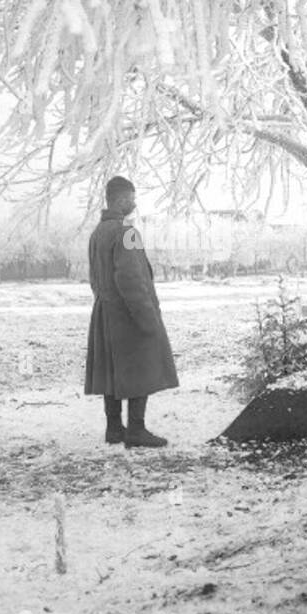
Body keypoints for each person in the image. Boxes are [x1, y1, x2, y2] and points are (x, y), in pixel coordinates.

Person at [83, 176, 178, 447]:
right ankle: (136, 430)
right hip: (128, 315)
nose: (134, 204)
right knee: (143, 366)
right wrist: (146, 317)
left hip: (104, 312)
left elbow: (94, 278)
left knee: (112, 371)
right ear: (122, 199)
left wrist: (105, 304)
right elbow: (131, 278)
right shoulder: (128, 233)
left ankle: (114, 429)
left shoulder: (97, 234)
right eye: (132, 198)